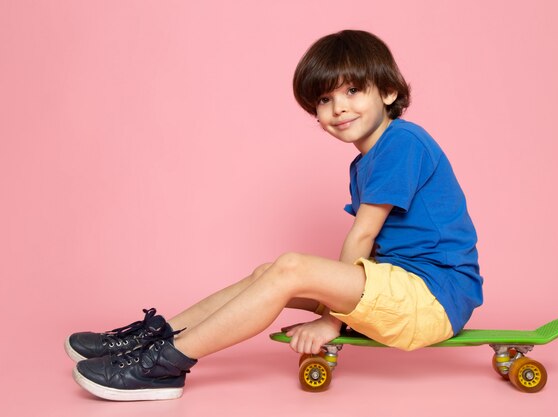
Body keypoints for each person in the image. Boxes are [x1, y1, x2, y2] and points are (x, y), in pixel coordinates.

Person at [66, 29, 483, 401]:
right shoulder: (366, 162)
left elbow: (362, 239)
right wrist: (334, 309)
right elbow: (372, 253)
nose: (338, 108)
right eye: (325, 99)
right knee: (269, 273)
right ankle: (155, 338)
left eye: (353, 91)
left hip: (432, 297)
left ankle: (163, 366)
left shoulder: (402, 142)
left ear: (388, 93)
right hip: (401, 287)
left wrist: (331, 323)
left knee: (290, 268)